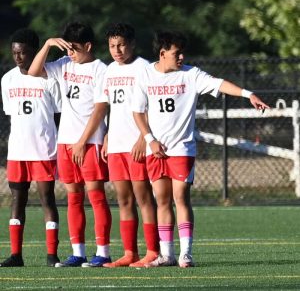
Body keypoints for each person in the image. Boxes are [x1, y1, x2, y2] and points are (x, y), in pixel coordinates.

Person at [132, 30, 270, 268]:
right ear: (163, 53)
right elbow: (137, 111)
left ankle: (186, 253)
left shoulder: (191, 75)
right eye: (177, 53)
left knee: (180, 198)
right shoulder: (145, 75)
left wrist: (249, 94)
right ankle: (167, 254)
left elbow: (219, 83)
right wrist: (149, 139)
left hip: (182, 148)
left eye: (183, 52)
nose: (182, 57)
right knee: (161, 200)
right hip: (156, 149)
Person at [28, 22, 112, 267]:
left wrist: (82, 141)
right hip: (65, 141)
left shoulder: (100, 69)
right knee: (73, 197)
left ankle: (103, 252)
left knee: (96, 197)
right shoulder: (64, 64)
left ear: (88, 46)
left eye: (74, 48)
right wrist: (47, 44)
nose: (70, 53)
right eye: (67, 48)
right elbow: (33, 71)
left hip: (90, 142)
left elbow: (100, 108)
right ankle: (78, 252)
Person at [97, 23, 159, 268]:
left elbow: (152, 106)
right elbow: (110, 107)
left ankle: (153, 251)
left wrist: (143, 138)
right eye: (112, 45)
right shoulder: (109, 70)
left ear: (132, 44)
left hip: (137, 144)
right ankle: (129, 253)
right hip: (116, 145)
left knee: (143, 197)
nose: (117, 50)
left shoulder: (144, 68)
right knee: (123, 199)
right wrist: (107, 136)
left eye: (121, 44)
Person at [0, 28, 61, 267]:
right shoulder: (7, 79)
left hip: (44, 149)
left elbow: (58, 113)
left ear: (34, 52)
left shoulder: (49, 78)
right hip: (17, 151)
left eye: (23, 53)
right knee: (17, 200)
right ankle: (16, 255)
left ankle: (51, 255)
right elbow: (11, 113)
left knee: (47, 199)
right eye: (15, 53)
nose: (18, 57)